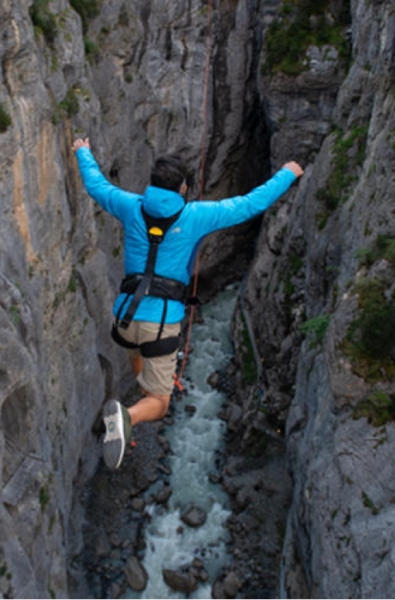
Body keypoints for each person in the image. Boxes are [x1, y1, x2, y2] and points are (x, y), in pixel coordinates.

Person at [72, 137, 303, 469]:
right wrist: (287, 173)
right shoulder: (196, 215)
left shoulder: (129, 205)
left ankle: (143, 394)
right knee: (160, 404)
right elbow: (249, 204)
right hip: (160, 323)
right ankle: (126, 416)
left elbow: (97, 185)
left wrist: (83, 151)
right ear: (182, 189)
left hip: (125, 319)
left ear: (152, 184)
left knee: (145, 371)